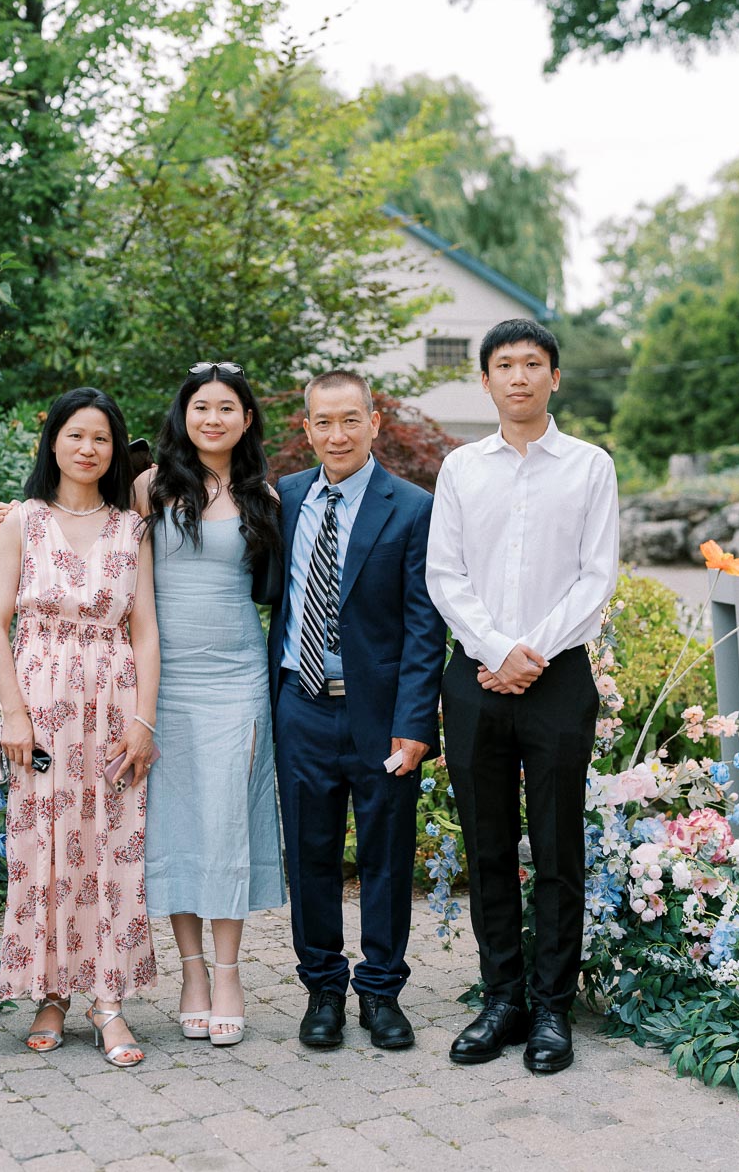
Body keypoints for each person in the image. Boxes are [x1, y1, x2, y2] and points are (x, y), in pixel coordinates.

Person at [425, 318, 619, 1075]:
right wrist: (495, 650)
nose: (518, 376)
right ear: (485, 380)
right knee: (488, 846)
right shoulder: (460, 469)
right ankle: (502, 998)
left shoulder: (590, 467)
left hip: (558, 678)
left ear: (554, 377)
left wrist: (527, 654)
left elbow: (596, 576)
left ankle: (551, 1009)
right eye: (504, 365)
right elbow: (445, 575)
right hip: (476, 679)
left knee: (558, 846)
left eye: (532, 364)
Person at [268, 370, 446, 1051]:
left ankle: (380, 992)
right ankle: (323, 990)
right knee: (310, 854)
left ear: (373, 423)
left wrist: (415, 723)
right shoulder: (283, 499)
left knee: (386, 856)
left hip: (381, 716)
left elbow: (425, 625)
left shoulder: (412, 507)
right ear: (307, 428)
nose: (336, 434)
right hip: (302, 707)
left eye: (350, 420)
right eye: (323, 421)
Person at [0, 387, 160, 1068]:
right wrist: (14, 713)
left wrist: (143, 720)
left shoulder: (131, 530)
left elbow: (146, 633)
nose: (88, 449)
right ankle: (51, 994)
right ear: (53, 440)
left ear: (116, 450)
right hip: (40, 707)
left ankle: (108, 1000)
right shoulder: (22, 521)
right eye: (76, 435)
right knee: (44, 847)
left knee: (112, 848)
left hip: (113, 708)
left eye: (102, 438)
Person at [133, 362, 286, 1047]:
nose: (213, 418)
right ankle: (190, 974)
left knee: (226, 822)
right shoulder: (148, 487)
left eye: (227, 408)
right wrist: (17, 515)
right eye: (201, 407)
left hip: (236, 676)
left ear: (246, 420)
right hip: (162, 678)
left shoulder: (265, 497)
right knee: (175, 823)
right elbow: (81, 525)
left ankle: (228, 975)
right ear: (184, 415)